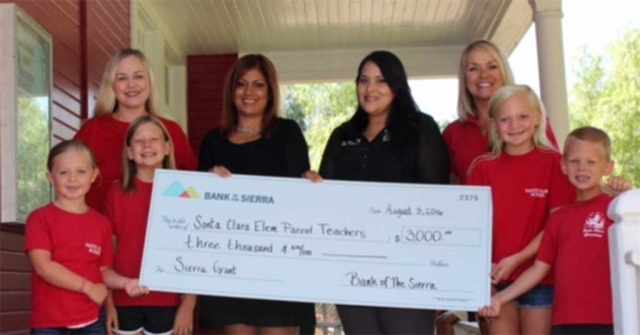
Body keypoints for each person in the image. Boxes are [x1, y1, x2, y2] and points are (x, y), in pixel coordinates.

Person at [305, 50, 449, 334]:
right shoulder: (342, 135)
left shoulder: (421, 130)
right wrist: (311, 185)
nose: (370, 89)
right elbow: (326, 200)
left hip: (408, 270)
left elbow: (438, 199)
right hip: (352, 270)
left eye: (381, 81)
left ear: (396, 86)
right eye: (363, 80)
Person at [197, 54, 316, 335]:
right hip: (228, 266)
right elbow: (196, 207)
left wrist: (309, 183)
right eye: (241, 84)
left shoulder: (287, 133)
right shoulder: (213, 141)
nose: (249, 92)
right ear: (231, 91)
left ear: (270, 91)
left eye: (258, 85)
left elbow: (301, 199)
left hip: (278, 263)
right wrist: (206, 184)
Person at [478, 126, 632, 335]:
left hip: (609, 320)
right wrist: (499, 299)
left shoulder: (615, 208)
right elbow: (537, 270)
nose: (582, 168)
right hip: (563, 323)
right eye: (574, 161)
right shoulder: (557, 218)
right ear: (563, 165)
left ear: (608, 167)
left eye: (591, 162)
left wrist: (628, 197)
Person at [467, 85, 576, 334]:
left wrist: (518, 259)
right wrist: (482, 282)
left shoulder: (554, 163)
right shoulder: (482, 168)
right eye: (505, 119)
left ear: (538, 118)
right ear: (494, 124)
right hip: (494, 280)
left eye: (523, 117)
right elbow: (472, 232)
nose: (515, 125)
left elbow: (554, 226)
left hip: (542, 280)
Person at [25, 140, 147, 334]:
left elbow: (104, 271)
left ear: (94, 175)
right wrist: (88, 287)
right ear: (50, 177)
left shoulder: (101, 224)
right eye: (63, 172)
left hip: (92, 320)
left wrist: (126, 283)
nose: (72, 179)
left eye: (81, 171)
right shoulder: (39, 219)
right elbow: (44, 267)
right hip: (49, 322)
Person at [74, 48, 197, 213]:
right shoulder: (92, 131)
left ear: (149, 82)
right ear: (112, 85)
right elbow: (69, 183)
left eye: (138, 76)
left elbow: (193, 188)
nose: (131, 85)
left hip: (161, 231)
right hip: (100, 233)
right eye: (122, 78)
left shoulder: (170, 131)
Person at [104, 116, 195, 335]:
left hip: (168, 298)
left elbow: (194, 250)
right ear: (129, 152)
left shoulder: (185, 190)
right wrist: (108, 304)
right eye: (138, 141)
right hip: (124, 297)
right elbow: (107, 255)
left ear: (167, 147)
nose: (146, 145)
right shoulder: (116, 193)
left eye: (154, 139)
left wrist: (189, 304)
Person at [443, 40, 558, 185]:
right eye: (473, 69)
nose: (484, 75)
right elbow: (451, 187)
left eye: (492, 67)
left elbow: (555, 173)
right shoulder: (453, 133)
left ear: (504, 72)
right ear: (464, 78)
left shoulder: (530, 121)